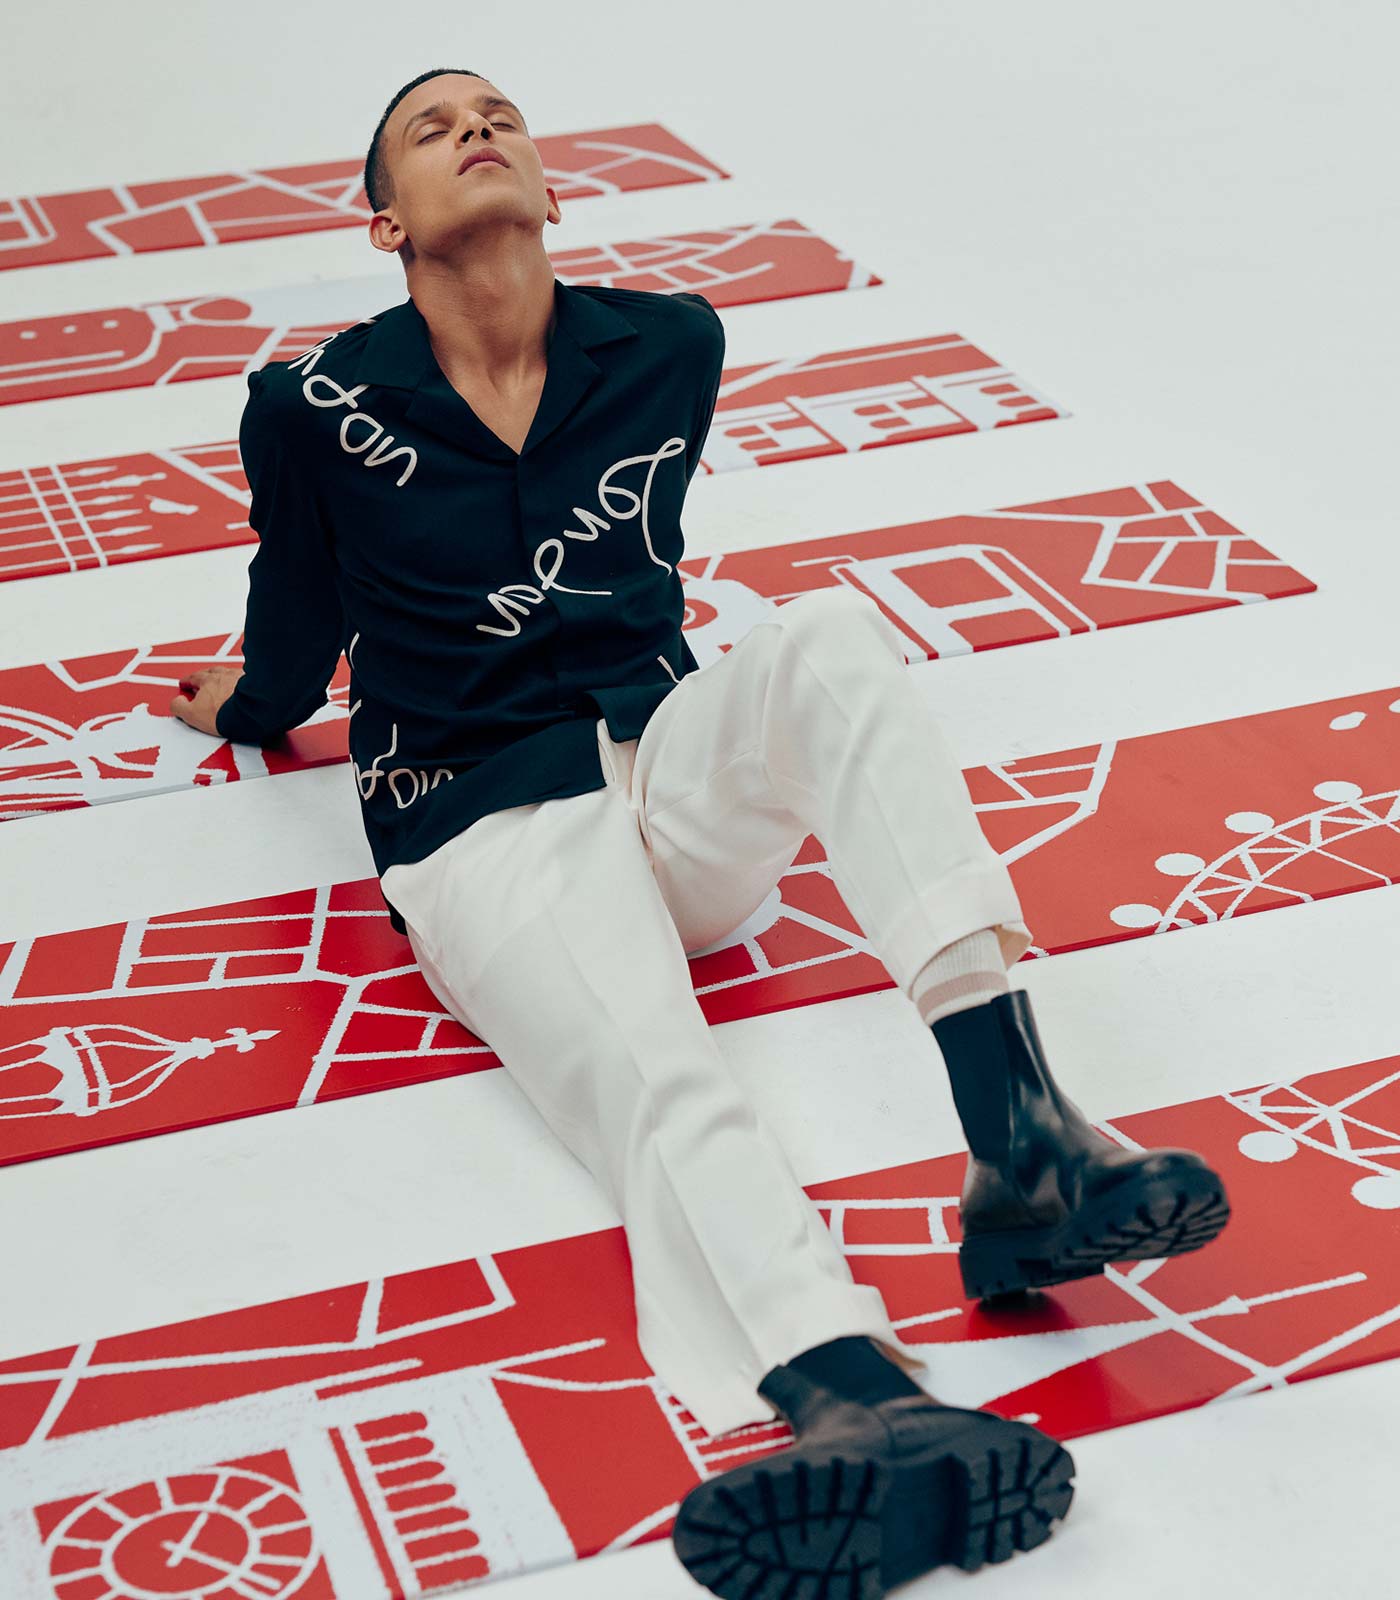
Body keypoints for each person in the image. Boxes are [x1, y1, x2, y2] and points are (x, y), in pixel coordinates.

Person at [171, 67, 1231, 1597]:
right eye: (432, 129)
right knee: (657, 1072)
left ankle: (1025, 1147)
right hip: (480, 822)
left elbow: (646, 571)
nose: (478, 131)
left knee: (832, 644)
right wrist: (252, 707)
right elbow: (297, 607)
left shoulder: (670, 345)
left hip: (661, 771)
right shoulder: (313, 408)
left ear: (551, 187)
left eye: (500, 116)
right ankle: (844, 1388)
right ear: (385, 222)